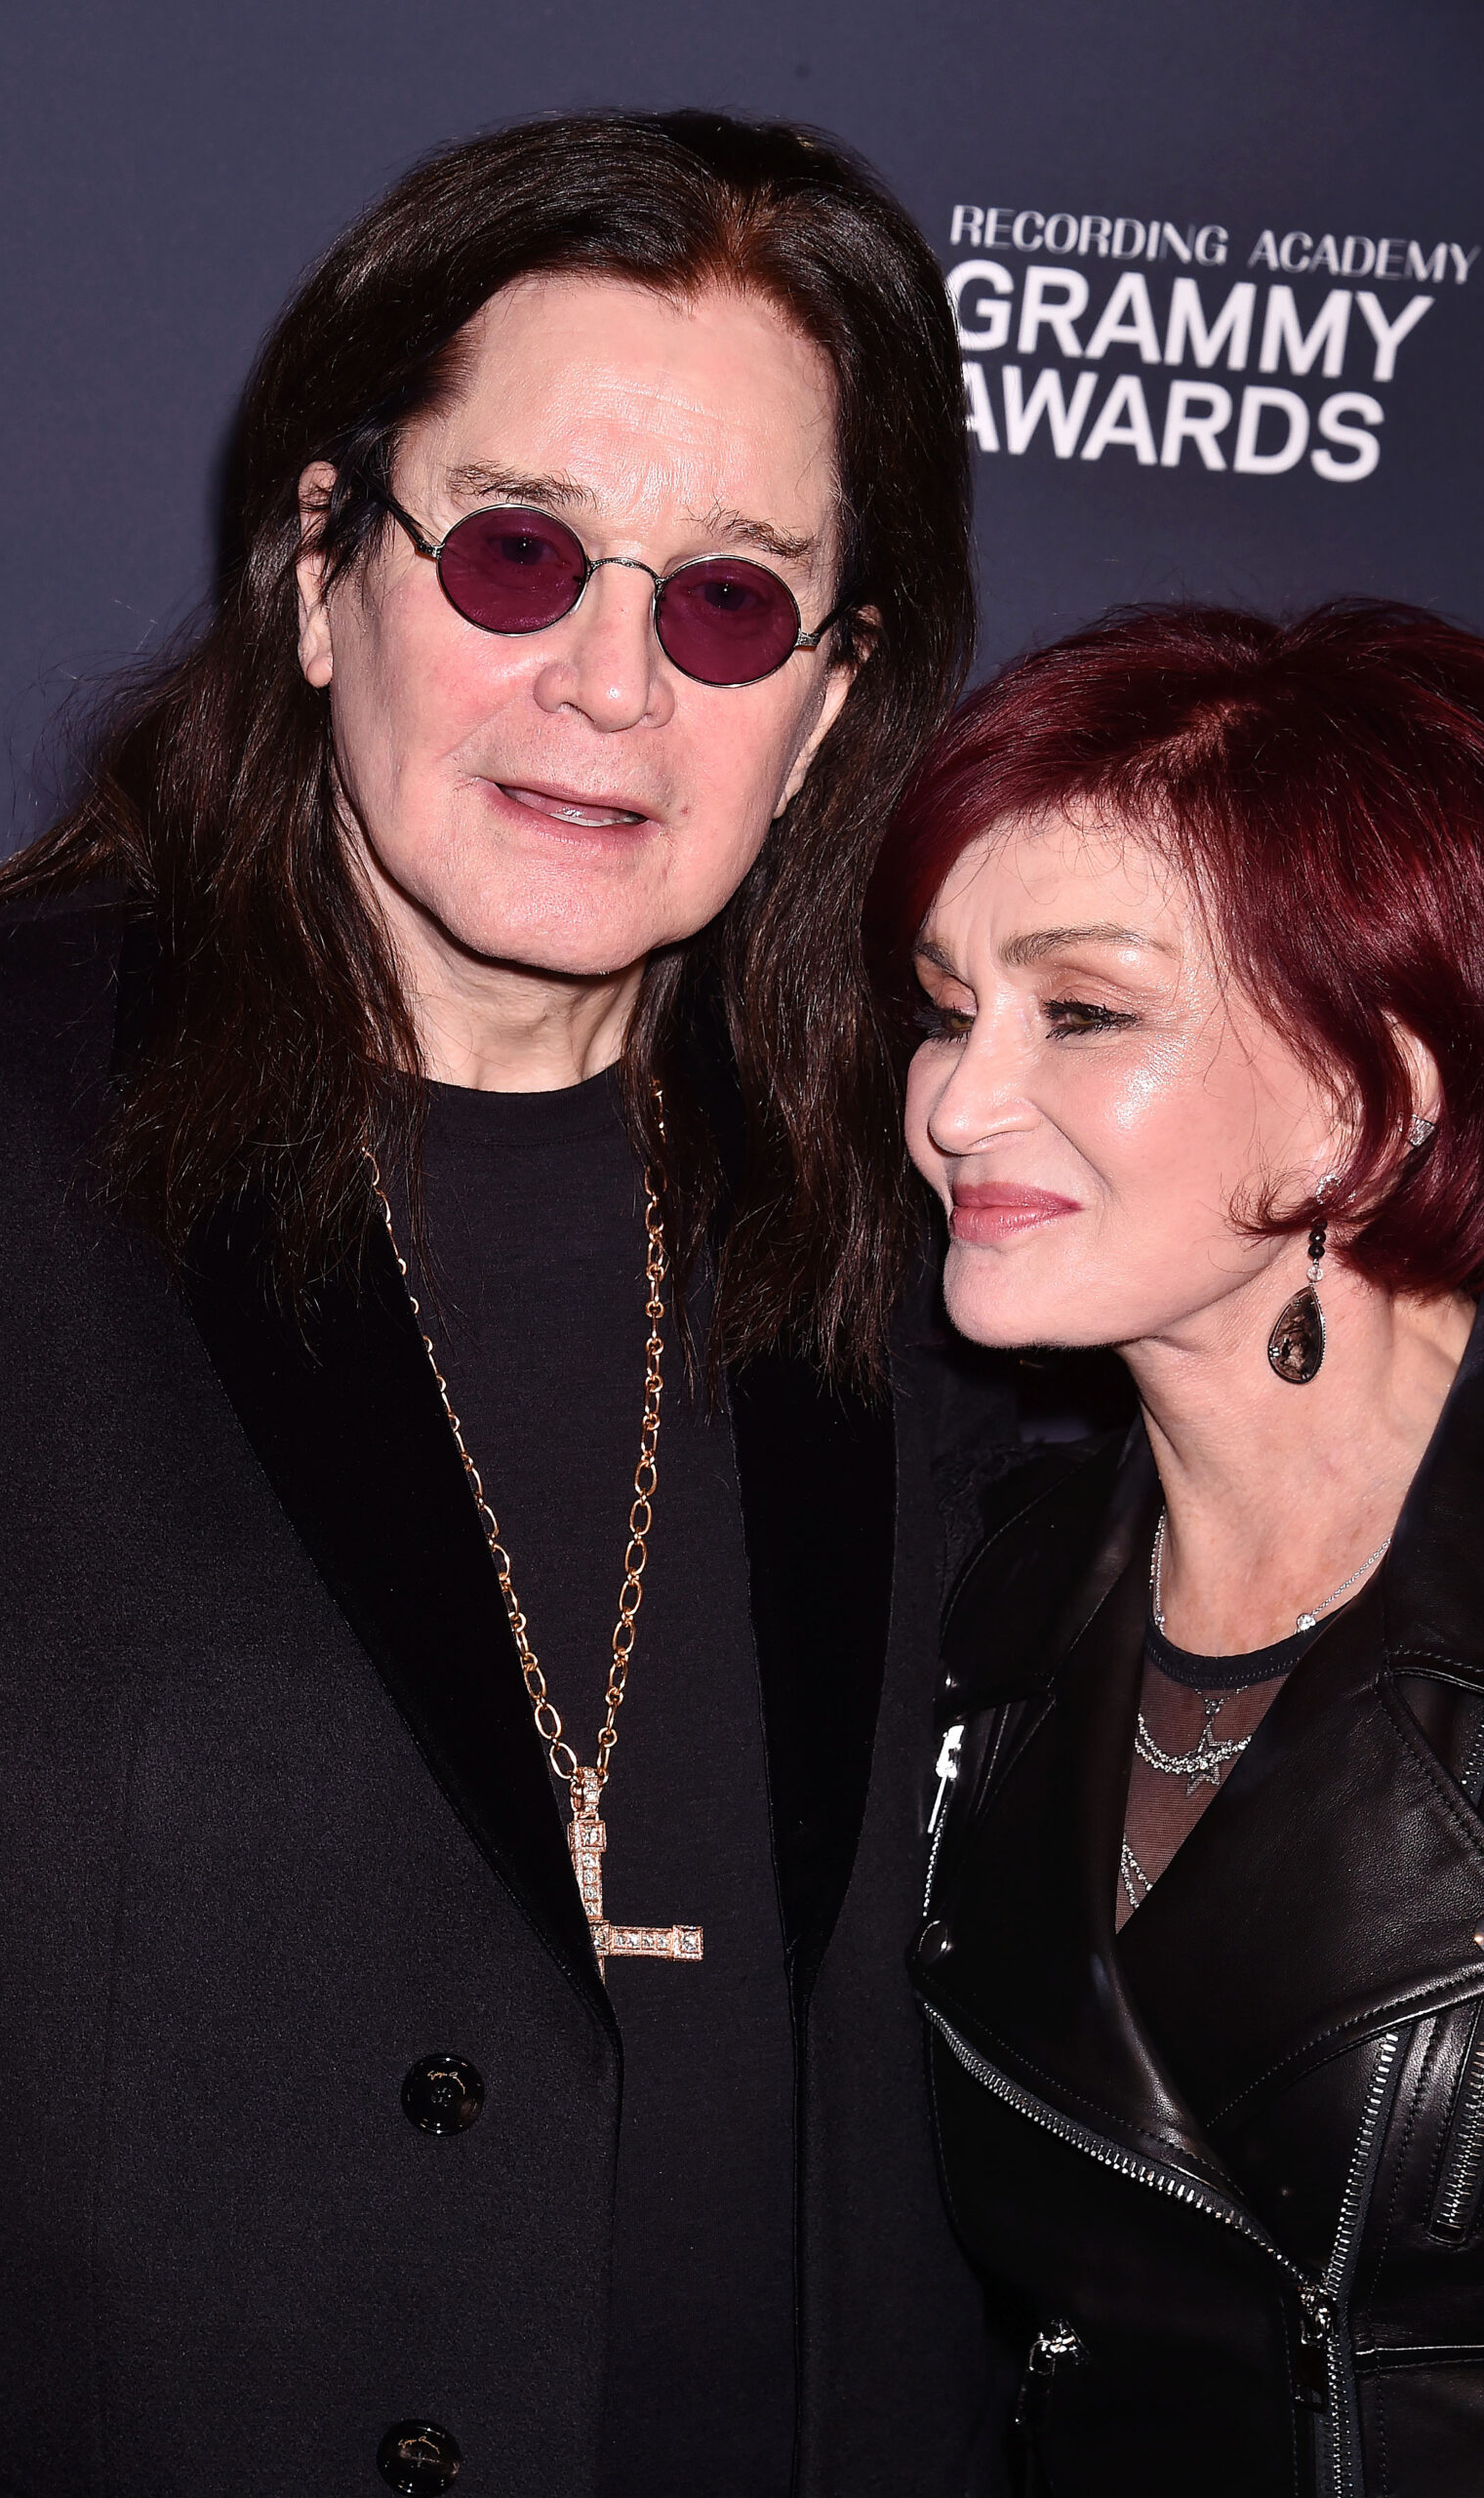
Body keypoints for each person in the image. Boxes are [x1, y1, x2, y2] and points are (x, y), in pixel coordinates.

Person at [0, 111, 1016, 2496]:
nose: (610, 684)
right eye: (514, 553)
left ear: (826, 703)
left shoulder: (946, 1222)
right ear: (318, 571)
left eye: (729, 604)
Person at [884, 600, 1484, 2497]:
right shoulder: (989, 1595)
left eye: (1082, 1010)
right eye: (946, 1007)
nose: (955, 1103)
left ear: (1369, 1091)